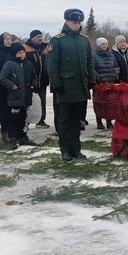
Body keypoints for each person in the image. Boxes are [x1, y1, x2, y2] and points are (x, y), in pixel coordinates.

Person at [47, 9, 95, 161]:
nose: (77, 25)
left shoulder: (83, 40)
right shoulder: (57, 40)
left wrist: (91, 79)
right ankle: (65, 150)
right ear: (66, 22)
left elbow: (89, 62)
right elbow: (52, 66)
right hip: (65, 87)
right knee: (64, 120)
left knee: (77, 120)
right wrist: (57, 84)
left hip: (80, 86)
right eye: (74, 22)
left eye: (79, 23)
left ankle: (76, 149)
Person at [0, 42, 38, 150]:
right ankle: (13, 138)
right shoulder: (9, 64)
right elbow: (2, 78)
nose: (22, 55)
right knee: (13, 118)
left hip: (26, 96)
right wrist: (12, 86)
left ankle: (23, 137)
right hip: (14, 97)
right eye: (19, 53)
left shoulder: (28, 64)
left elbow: (34, 77)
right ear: (14, 54)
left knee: (24, 118)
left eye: (23, 52)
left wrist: (33, 86)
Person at [24, 29, 50, 128]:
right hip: (30, 80)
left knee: (42, 101)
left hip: (43, 79)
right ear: (32, 38)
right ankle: (26, 121)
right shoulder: (26, 48)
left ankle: (41, 120)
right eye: (37, 37)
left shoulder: (45, 48)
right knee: (29, 102)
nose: (40, 38)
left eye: (40, 36)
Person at [93, 37, 118, 129]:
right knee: (99, 103)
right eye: (102, 44)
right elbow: (92, 69)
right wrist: (98, 78)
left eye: (106, 44)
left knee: (110, 103)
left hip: (110, 82)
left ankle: (109, 122)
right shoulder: (94, 55)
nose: (104, 46)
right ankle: (99, 122)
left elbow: (116, 66)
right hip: (99, 84)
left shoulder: (111, 55)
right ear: (99, 45)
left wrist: (115, 76)